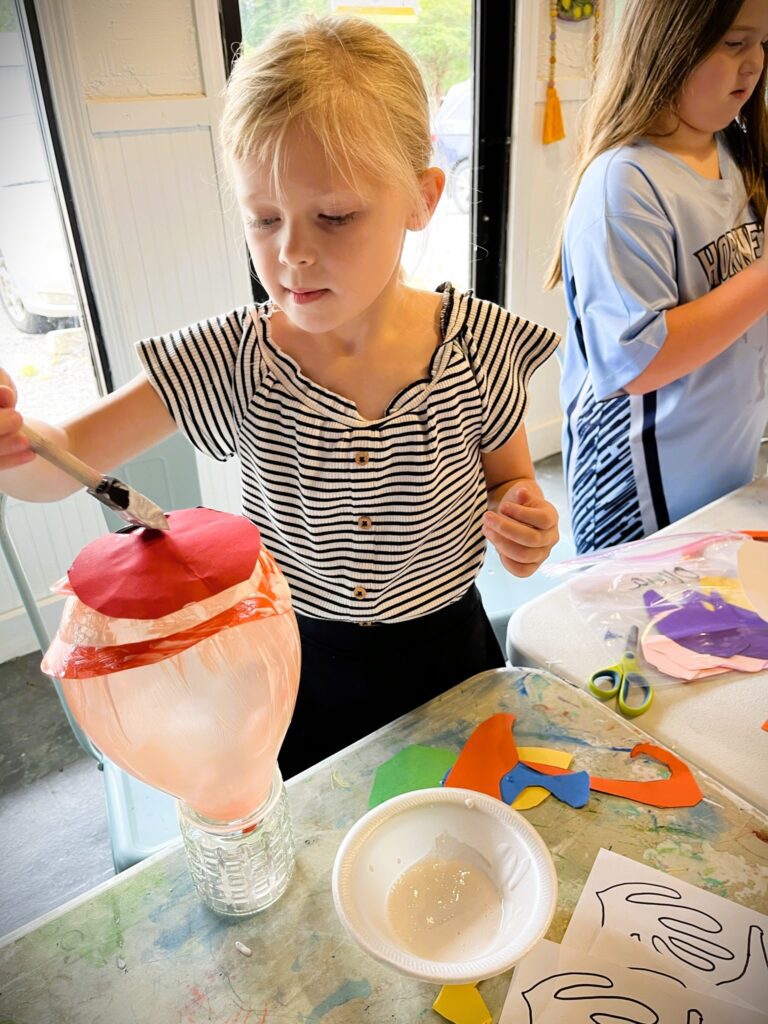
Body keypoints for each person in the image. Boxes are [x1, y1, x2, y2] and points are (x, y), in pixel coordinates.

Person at [0, 16, 560, 777]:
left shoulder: (479, 348)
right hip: (295, 664)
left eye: (335, 216)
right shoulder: (232, 357)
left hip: (448, 653)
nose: (292, 251)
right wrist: (14, 439)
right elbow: (46, 471)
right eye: (263, 218)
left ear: (422, 198)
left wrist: (526, 522)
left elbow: (512, 481)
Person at [547, 0, 768, 555]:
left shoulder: (735, 152)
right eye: (735, 44)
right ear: (672, 48)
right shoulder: (624, 181)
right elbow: (639, 360)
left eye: (763, 43)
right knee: (634, 641)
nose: (754, 63)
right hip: (638, 495)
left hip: (721, 474)